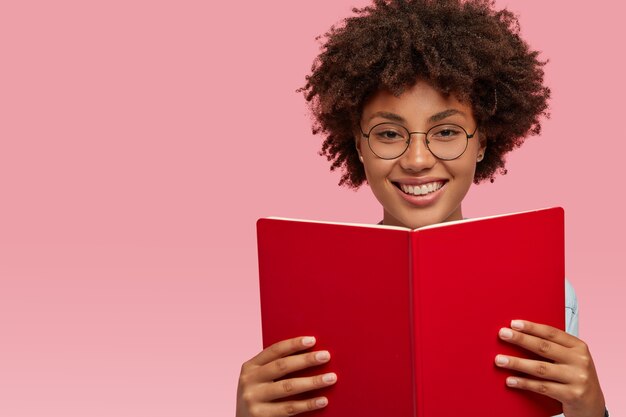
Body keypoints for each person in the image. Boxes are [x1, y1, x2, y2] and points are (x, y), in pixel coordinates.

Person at [236, 0, 607, 416]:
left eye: (446, 131)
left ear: (482, 141)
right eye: (388, 133)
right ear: (358, 144)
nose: (416, 160)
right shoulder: (302, 289)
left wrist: (590, 411)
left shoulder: (550, 295)